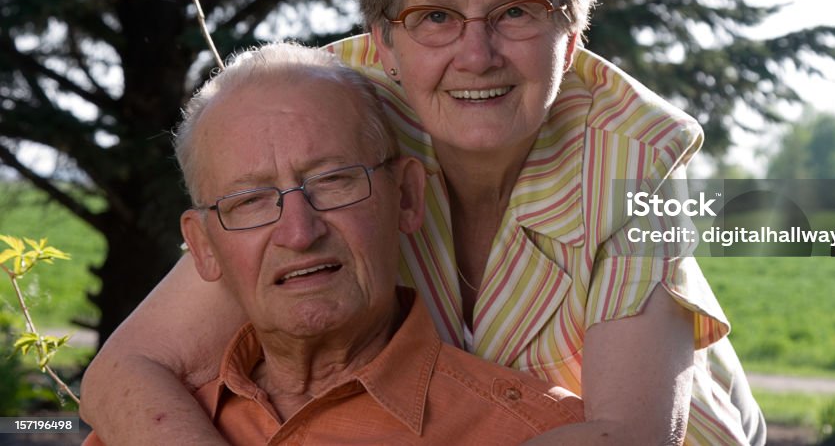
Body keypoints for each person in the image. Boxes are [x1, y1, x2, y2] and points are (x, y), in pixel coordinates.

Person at [82, 0, 766, 445]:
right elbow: (126, 370)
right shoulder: (335, 107)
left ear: (573, 33)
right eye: (435, 15)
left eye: (515, 12)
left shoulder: (636, 152)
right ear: (383, 38)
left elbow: (627, 436)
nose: (477, 54)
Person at [84, 43, 585, 445]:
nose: (300, 233)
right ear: (203, 247)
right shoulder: (134, 429)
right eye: (251, 201)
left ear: (407, 197)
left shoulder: (535, 433)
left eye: (334, 181)